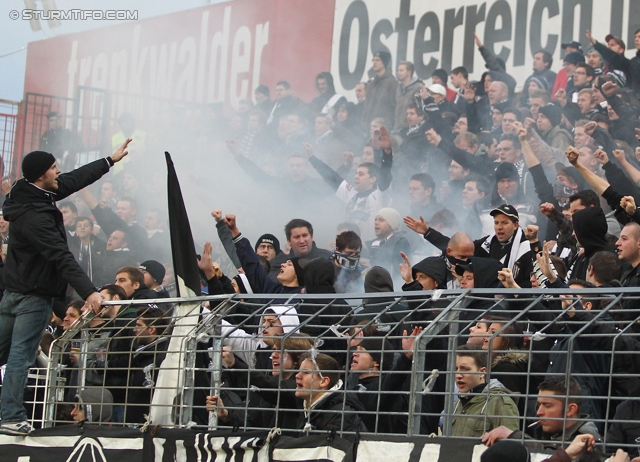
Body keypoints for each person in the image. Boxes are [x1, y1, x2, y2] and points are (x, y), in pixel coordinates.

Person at [0, 139, 131, 435]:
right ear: (41, 175)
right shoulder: (36, 219)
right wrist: (89, 292)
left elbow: (71, 180)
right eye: (53, 167)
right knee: (20, 355)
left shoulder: (27, 192)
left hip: (13, 292)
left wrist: (108, 161)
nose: (59, 171)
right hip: (32, 297)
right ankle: (10, 417)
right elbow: (62, 257)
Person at [482, 377, 601, 449]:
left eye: (547, 406)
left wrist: (514, 436)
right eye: (539, 405)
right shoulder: (546, 430)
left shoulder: (587, 437)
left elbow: (553, 455)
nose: (539, 412)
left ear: (570, 410)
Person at [450, 344, 520, 437]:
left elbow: (510, 445)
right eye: (456, 369)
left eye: (465, 369)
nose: (458, 375)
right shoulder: (459, 401)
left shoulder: (500, 402)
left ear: (482, 372)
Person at [295, 352, 367, 433]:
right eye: (299, 371)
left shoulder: (341, 415)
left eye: (306, 372)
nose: (297, 376)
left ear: (324, 381)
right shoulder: (306, 408)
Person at [267, 218, 332, 281]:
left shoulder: (328, 258)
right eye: (297, 237)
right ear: (289, 241)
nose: (301, 241)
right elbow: (272, 285)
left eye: (305, 235)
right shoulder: (279, 263)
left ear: (312, 237)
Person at [362, 51, 399, 130]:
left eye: (378, 60)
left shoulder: (392, 82)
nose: (374, 63)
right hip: (369, 128)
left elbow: (394, 107)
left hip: (383, 128)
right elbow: (366, 106)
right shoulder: (371, 84)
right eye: (373, 60)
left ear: (384, 62)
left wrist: (387, 124)